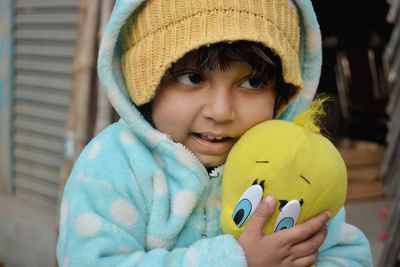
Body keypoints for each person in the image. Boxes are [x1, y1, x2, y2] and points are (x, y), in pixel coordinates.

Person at [56, 0, 373, 266]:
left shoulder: (290, 165)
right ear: (144, 83)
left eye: (253, 83)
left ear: (284, 92)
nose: (220, 111)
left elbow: (347, 254)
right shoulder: (113, 165)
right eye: (193, 77)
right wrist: (236, 259)